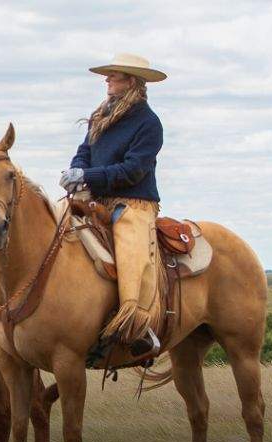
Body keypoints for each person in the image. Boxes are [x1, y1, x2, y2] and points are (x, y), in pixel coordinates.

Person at [59, 53, 167, 359]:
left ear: (130, 81)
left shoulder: (148, 123)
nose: (107, 81)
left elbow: (133, 170)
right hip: (94, 198)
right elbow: (84, 151)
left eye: (113, 76)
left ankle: (137, 326)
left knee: (133, 257)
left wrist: (88, 175)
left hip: (133, 202)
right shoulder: (101, 116)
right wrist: (76, 173)